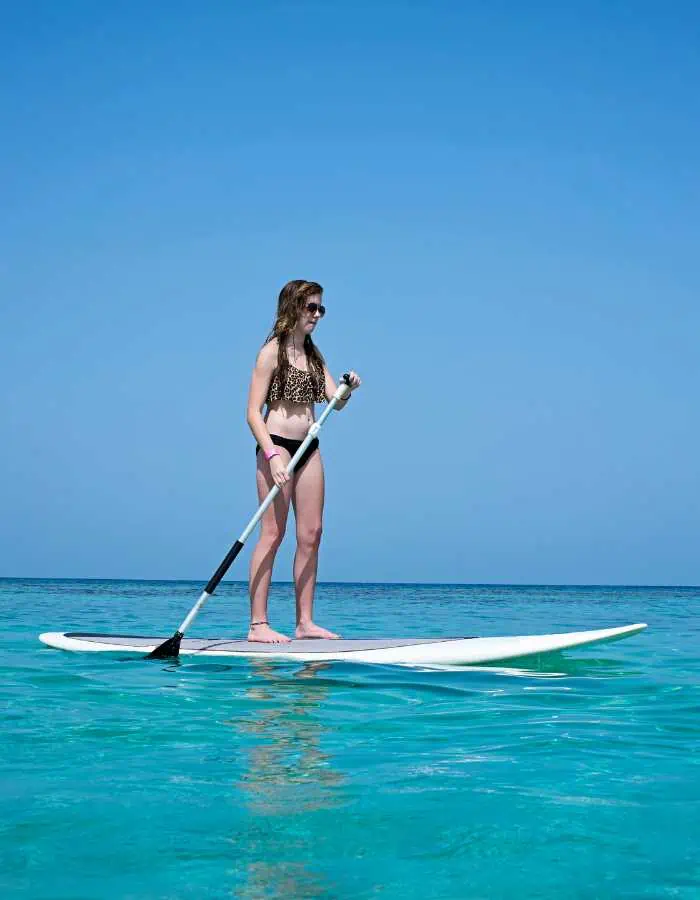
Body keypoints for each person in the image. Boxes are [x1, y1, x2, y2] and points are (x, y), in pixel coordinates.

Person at [246, 280, 361, 643]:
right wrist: (272, 455)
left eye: (320, 309)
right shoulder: (271, 353)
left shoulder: (314, 355)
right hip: (277, 446)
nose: (316, 315)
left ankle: (305, 622)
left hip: (309, 446)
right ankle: (258, 625)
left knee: (312, 534)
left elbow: (333, 401)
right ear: (292, 308)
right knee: (272, 534)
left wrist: (347, 389)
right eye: (310, 307)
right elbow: (251, 413)